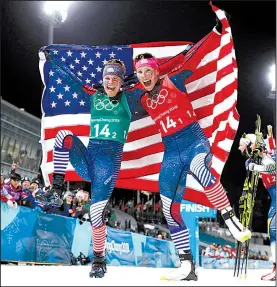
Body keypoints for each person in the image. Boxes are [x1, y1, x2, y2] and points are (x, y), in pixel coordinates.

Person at [127, 52, 251, 281]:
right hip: (172, 153)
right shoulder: (143, 99)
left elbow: (193, 60)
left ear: (156, 71)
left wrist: (215, 33)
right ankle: (187, 266)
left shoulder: (172, 80)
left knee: (202, 170)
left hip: (194, 143)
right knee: (169, 210)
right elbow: (118, 96)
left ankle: (230, 218)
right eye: (140, 72)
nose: (144, 76)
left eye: (148, 71)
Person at [43, 59, 132, 278]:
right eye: (107, 78)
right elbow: (72, 81)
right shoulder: (95, 96)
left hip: (107, 166)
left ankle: (99, 259)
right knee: (63, 135)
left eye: (115, 79)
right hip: (89, 160)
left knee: (95, 213)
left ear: (121, 81)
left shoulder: (128, 98)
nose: (110, 82)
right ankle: (56, 189)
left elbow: (150, 78)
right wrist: (52, 60)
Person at [238, 133, 276, 281]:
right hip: (274, 197)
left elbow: (273, 168)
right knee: (273, 232)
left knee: (273, 229)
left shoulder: (271, 152)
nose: (243, 150)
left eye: (246, 146)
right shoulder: (251, 161)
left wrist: (259, 162)